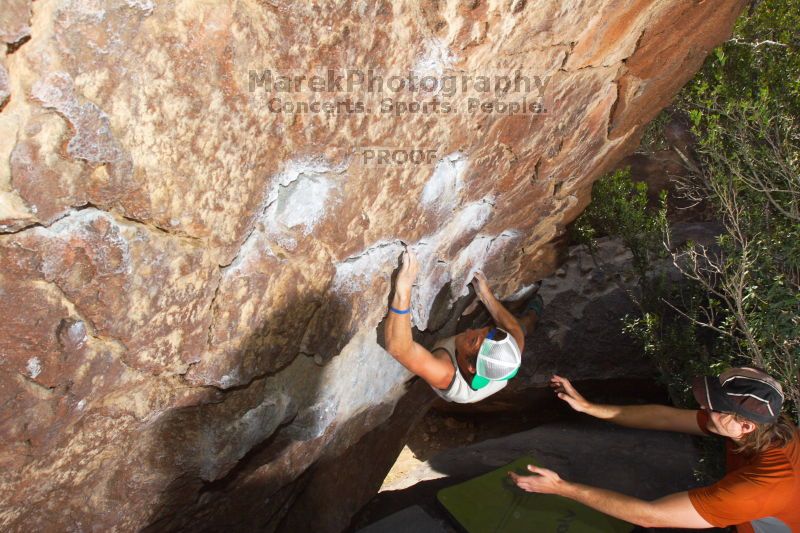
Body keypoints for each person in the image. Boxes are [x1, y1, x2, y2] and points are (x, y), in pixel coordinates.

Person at [508, 367, 800, 532]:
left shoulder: (763, 485)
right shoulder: (762, 426)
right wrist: (590, 407)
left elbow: (648, 515)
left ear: (746, 426)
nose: (702, 407)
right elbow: (666, 418)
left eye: (713, 407)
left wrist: (561, 487)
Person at [384, 249, 540, 404]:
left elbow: (398, 348)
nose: (470, 330)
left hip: (460, 382)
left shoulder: (446, 374)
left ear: (471, 367)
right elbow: (514, 329)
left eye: (472, 341)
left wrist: (403, 290)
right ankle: (533, 317)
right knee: (524, 327)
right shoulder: (509, 355)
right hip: (499, 367)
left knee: (423, 367)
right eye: (485, 330)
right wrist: (485, 295)